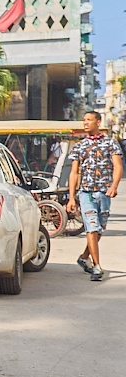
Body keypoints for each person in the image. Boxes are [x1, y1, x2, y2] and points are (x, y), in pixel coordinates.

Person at [66, 110, 122, 282]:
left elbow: (118, 166)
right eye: (84, 120)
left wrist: (114, 186)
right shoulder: (79, 146)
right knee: (91, 227)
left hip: (104, 192)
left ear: (98, 122)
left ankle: (84, 257)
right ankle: (97, 266)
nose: (85, 123)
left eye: (89, 120)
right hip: (86, 192)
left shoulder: (110, 143)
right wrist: (72, 197)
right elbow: (74, 173)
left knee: (100, 229)